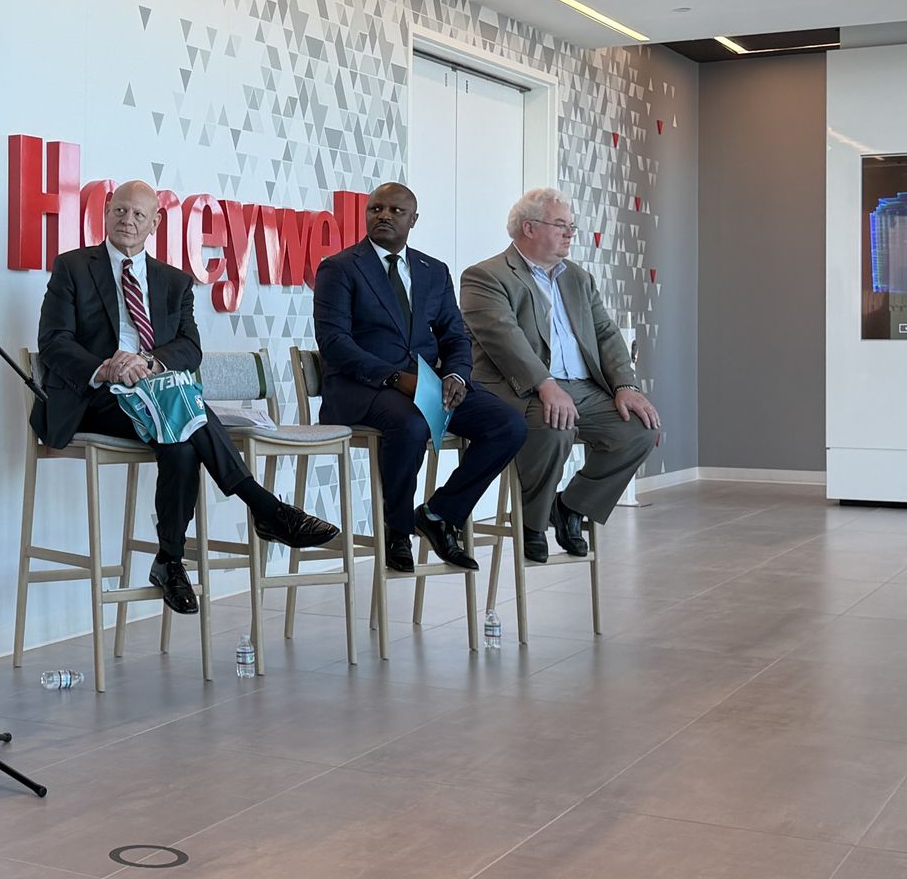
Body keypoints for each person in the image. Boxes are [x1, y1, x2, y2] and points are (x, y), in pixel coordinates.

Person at [32, 181, 339, 615]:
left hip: (156, 392)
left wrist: (149, 364)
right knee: (184, 412)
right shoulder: (73, 267)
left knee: (178, 438)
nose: (128, 221)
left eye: (139, 215)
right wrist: (108, 366)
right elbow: (54, 342)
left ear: (155, 223)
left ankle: (170, 561)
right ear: (105, 212)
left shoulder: (173, 281)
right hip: (97, 397)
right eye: (120, 211)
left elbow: (189, 349)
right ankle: (264, 508)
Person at [311, 182, 527, 573]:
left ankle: (440, 514)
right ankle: (396, 529)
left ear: (413, 219)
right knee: (410, 424)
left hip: (428, 386)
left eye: (395, 211)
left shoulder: (433, 270)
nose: (383, 216)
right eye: (376, 209)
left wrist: (458, 376)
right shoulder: (340, 268)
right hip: (361, 389)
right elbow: (334, 342)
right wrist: (395, 378)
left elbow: (455, 336)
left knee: (508, 423)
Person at [459, 188, 659, 562]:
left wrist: (625, 386)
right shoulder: (485, 276)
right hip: (519, 389)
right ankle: (531, 525)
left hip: (583, 387)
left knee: (639, 429)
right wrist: (545, 384)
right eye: (561, 225)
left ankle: (570, 507)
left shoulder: (577, 278)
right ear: (529, 228)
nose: (571, 233)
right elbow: (504, 338)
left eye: (572, 226)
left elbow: (605, 333)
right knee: (553, 426)